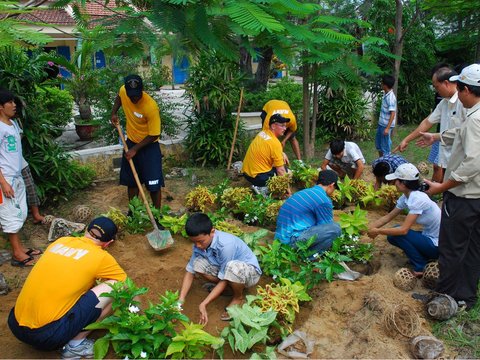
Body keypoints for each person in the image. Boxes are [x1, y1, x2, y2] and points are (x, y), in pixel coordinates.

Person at [8, 217, 127, 358]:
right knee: (115, 287)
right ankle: (75, 346)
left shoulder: (61, 241)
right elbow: (125, 284)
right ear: (108, 243)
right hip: (46, 336)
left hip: (14, 324)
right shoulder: (101, 257)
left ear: (87, 230)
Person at [419, 64, 480, 310]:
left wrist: (443, 185)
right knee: (472, 248)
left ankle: (444, 297)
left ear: (466, 89)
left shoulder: (475, 120)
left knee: (451, 248)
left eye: (459, 87)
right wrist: (436, 137)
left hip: (463, 196)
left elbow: (473, 162)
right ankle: (466, 296)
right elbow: (461, 132)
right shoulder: (475, 115)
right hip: (477, 197)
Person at [179, 213, 261, 325]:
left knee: (232, 268)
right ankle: (228, 289)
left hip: (249, 273)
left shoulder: (226, 245)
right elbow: (190, 271)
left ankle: (238, 298)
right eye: (194, 242)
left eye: (200, 241)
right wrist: (181, 300)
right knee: (197, 264)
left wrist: (204, 304)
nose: (197, 245)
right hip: (227, 270)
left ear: (212, 232)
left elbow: (225, 277)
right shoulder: (200, 245)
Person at [367, 164, 440, 276]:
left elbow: (404, 230)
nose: (393, 183)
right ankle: (423, 257)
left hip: (437, 245)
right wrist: (369, 228)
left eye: (396, 180)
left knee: (397, 232)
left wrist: (377, 231)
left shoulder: (417, 199)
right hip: (429, 236)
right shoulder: (406, 197)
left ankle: (420, 266)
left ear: (403, 183)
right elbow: (388, 217)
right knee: (392, 236)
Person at [396, 66, 466, 182]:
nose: (435, 90)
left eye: (436, 87)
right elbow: (428, 122)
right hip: (448, 155)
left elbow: (466, 132)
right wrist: (406, 140)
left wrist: (435, 137)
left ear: (446, 83)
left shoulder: (464, 102)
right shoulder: (444, 103)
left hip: (462, 157)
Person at [111, 74, 164, 210]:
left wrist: (135, 149)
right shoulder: (124, 91)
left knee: (153, 184)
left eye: (137, 95)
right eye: (131, 95)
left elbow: (154, 134)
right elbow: (119, 97)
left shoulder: (151, 107)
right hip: (131, 142)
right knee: (132, 182)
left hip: (149, 147)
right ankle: (133, 212)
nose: (134, 98)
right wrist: (114, 112)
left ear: (142, 90)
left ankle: (157, 215)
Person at [0, 89, 40, 267]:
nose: (14, 105)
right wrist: (3, 182)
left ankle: (20, 248)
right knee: (10, 215)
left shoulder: (13, 124)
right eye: (10, 102)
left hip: (16, 176)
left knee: (20, 212)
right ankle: (17, 253)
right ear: (1, 107)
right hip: (5, 179)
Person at [275, 170, 342, 256]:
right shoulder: (323, 200)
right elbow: (327, 226)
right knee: (335, 228)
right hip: (292, 241)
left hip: (280, 239)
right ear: (331, 185)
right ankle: (309, 256)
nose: (334, 191)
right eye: (335, 188)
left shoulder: (304, 192)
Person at [242, 113, 291, 192]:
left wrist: (282, 153)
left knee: (279, 165)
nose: (285, 128)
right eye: (282, 125)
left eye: (285, 126)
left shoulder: (263, 133)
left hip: (247, 174)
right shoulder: (275, 143)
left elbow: (271, 150)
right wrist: (288, 191)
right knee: (286, 172)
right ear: (273, 126)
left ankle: (258, 185)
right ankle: (263, 189)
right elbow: (280, 170)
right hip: (258, 178)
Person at [376, 75, 397, 156]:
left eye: (382, 83)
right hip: (381, 124)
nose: (381, 84)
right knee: (379, 146)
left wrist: (387, 128)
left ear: (385, 85)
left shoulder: (391, 97)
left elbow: (393, 113)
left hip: (385, 126)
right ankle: (380, 163)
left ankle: (386, 165)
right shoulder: (385, 94)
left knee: (385, 148)